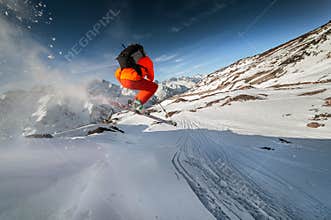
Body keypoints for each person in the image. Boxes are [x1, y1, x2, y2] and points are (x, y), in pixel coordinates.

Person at [115, 44, 158, 112]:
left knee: (146, 87)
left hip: (123, 80)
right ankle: (136, 104)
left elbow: (117, 73)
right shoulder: (147, 60)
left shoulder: (126, 65)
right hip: (133, 80)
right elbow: (151, 77)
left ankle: (134, 103)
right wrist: (148, 79)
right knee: (153, 86)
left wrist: (123, 83)